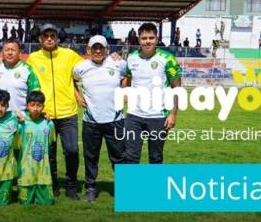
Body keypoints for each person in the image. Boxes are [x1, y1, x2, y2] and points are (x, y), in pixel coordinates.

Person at [26, 23, 81, 199]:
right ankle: (54, 184)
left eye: (52, 36)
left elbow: (90, 68)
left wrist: (114, 59)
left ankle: (71, 185)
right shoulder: (33, 58)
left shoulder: (70, 55)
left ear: (57, 38)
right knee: (49, 152)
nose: (49, 39)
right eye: (45, 36)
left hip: (68, 112)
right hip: (45, 114)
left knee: (71, 150)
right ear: (40, 39)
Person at [72, 35, 126, 202]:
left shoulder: (119, 64)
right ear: (88, 50)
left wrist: (124, 92)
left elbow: (127, 77)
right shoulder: (80, 68)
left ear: (106, 49)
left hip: (116, 120)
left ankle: (124, 189)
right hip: (91, 121)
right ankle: (90, 188)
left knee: (119, 156)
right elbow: (72, 81)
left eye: (100, 48)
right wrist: (78, 97)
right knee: (91, 156)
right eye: (94, 48)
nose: (97, 51)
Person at [122, 22, 182, 165]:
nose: (147, 41)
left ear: (156, 38)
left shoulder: (168, 59)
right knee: (130, 156)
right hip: (134, 116)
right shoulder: (131, 58)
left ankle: (154, 188)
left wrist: (173, 114)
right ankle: (131, 188)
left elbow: (177, 88)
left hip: (158, 117)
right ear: (139, 39)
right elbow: (127, 83)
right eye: (144, 38)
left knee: (155, 158)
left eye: (151, 38)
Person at [18, 91, 56, 206]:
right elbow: (17, 145)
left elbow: (50, 142)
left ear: (43, 107)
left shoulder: (48, 123)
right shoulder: (21, 124)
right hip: (26, 168)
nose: (35, 108)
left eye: (39, 105)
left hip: (43, 169)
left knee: (48, 203)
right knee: (25, 203)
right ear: (27, 106)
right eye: (32, 105)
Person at [0, 39, 40, 114]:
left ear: (19, 53)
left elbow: (36, 94)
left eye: (13, 50)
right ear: (2, 52)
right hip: (0, 118)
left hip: (21, 117)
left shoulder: (27, 70)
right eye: (7, 50)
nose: (10, 53)